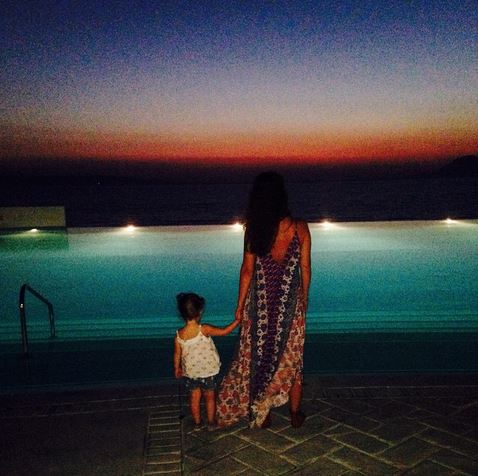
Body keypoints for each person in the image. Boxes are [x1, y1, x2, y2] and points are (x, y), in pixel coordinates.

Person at [217, 171, 311, 428]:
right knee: (292, 360)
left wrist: (239, 306)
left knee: (259, 356)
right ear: (283, 196)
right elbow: (305, 268)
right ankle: (295, 413)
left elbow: (247, 271)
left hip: (260, 307)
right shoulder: (300, 228)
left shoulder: (254, 230)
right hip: (290, 306)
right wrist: (304, 299)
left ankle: (263, 412)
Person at [173, 292, 240, 431]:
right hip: (208, 372)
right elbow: (224, 331)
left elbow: (177, 354)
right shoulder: (204, 329)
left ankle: (197, 423)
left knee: (194, 398)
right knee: (210, 397)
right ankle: (210, 422)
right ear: (200, 312)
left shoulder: (179, 334)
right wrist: (237, 321)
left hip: (191, 373)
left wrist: (177, 368)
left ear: (182, 314)